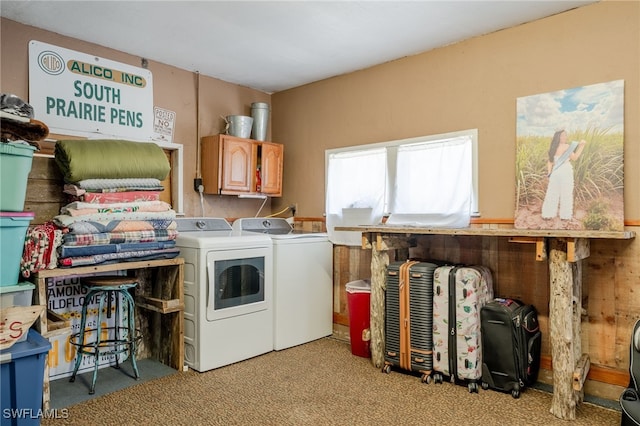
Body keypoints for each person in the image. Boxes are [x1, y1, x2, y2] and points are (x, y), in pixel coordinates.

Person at [541, 129, 586, 221]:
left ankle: (548, 214)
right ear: (558, 137)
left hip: (555, 172)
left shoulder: (553, 147)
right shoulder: (567, 146)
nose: (565, 137)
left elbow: (550, 161)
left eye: (565, 135)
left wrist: (549, 173)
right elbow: (575, 158)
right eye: (562, 135)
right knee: (566, 193)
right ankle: (565, 216)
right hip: (565, 171)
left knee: (552, 193)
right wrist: (582, 146)